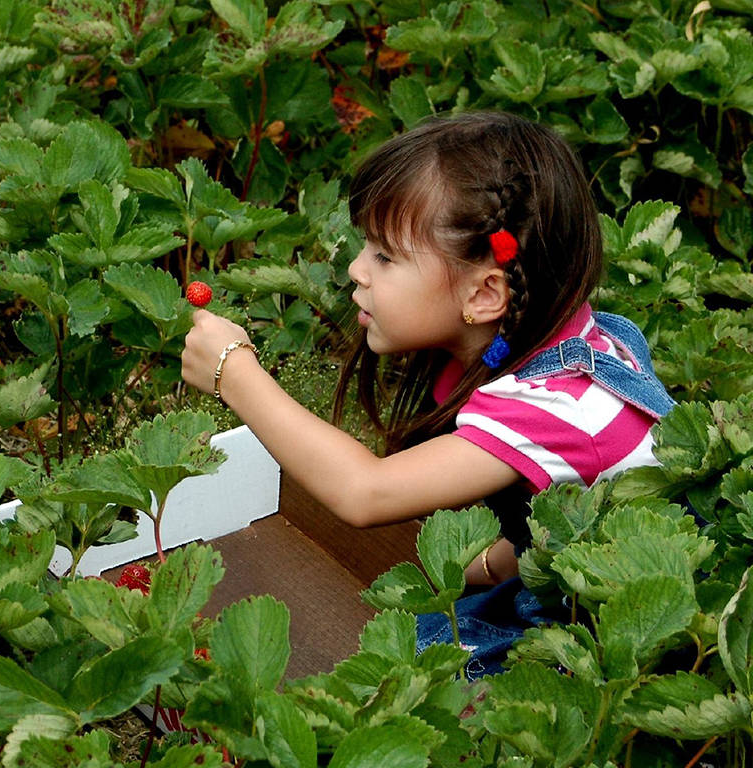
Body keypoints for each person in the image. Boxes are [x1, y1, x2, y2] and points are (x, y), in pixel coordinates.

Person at [181, 111, 674, 674]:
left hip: (625, 637)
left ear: (486, 294)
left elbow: (365, 492)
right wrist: (500, 563)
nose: (355, 270)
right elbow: (585, 495)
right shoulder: (568, 341)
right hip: (567, 582)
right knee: (432, 633)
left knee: (406, 684)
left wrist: (234, 372)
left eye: (385, 256)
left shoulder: (555, 406)